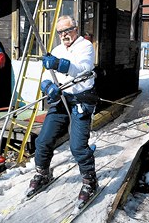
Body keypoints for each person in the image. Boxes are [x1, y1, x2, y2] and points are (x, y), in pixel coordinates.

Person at [26, 15, 99, 206]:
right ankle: (42, 173)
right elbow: (46, 75)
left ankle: (90, 181)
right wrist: (48, 86)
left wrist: (59, 64)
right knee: (43, 140)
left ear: (76, 28)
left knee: (77, 146)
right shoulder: (57, 50)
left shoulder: (85, 46)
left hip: (81, 100)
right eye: (60, 32)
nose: (64, 35)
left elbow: (83, 69)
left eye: (67, 30)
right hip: (61, 100)